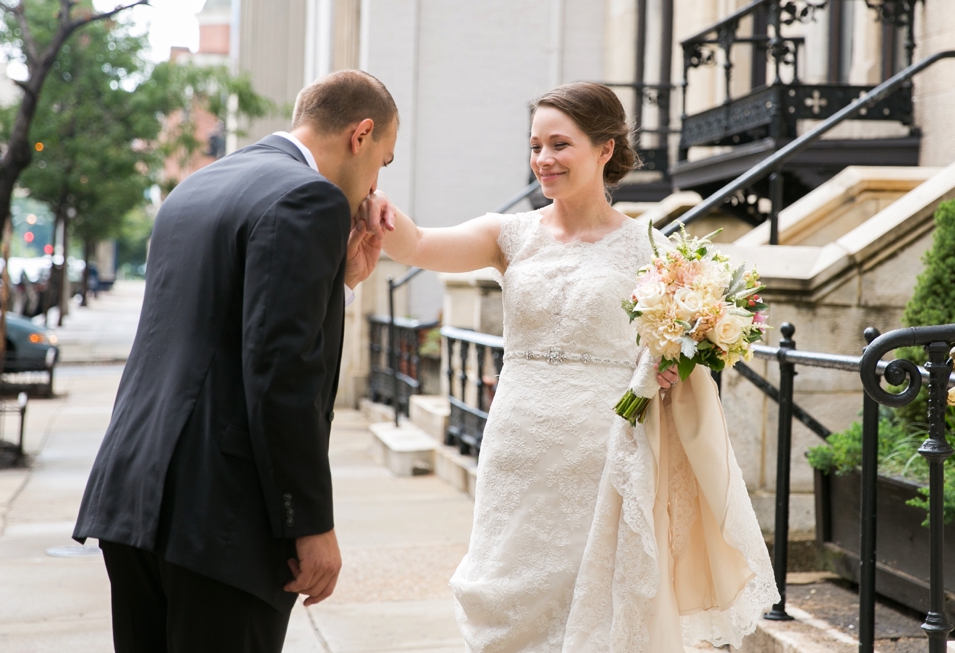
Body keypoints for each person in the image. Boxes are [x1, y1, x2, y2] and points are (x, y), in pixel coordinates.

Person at [365, 82, 779, 651]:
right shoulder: (506, 235)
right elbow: (417, 246)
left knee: (597, 604)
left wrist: (666, 369)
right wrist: (374, 202)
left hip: (603, 446)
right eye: (535, 145)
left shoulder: (652, 250)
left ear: (605, 149)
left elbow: (677, 348)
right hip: (518, 444)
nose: (543, 160)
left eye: (560, 144)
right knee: (508, 588)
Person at [73, 70, 399, 653]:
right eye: (385, 160)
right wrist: (310, 522)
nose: (377, 182)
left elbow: (219, 327)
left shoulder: (197, 186)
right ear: (362, 135)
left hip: (134, 497)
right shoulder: (310, 196)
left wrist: (340, 280)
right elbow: (282, 374)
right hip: (221, 519)